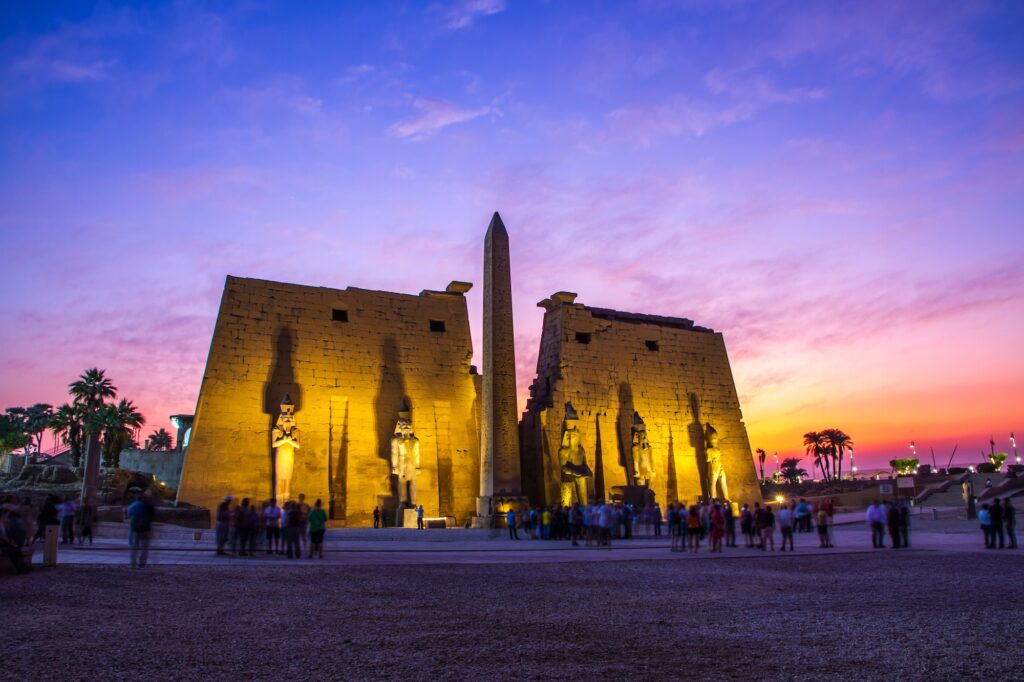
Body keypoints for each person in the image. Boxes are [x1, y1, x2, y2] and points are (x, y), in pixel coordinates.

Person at [127, 492, 155, 569]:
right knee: (144, 548)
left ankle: (133, 564)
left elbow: (129, 515)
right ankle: (142, 564)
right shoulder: (149, 506)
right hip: (146, 529)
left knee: (134, 548)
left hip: (135, 529)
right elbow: (152, 516)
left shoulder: (132, 506)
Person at [0, 509, 30, 575]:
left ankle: (21, 568)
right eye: (6, 515)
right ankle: (22, 569)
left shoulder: (3, 523)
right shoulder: (3, 524)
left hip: (4, 543)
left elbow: (6, 536)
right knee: (15, 550)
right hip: (2, 544)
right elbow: (3, 537)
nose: (7, 516)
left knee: (15, 550)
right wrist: (10, 542)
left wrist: (11, 542)